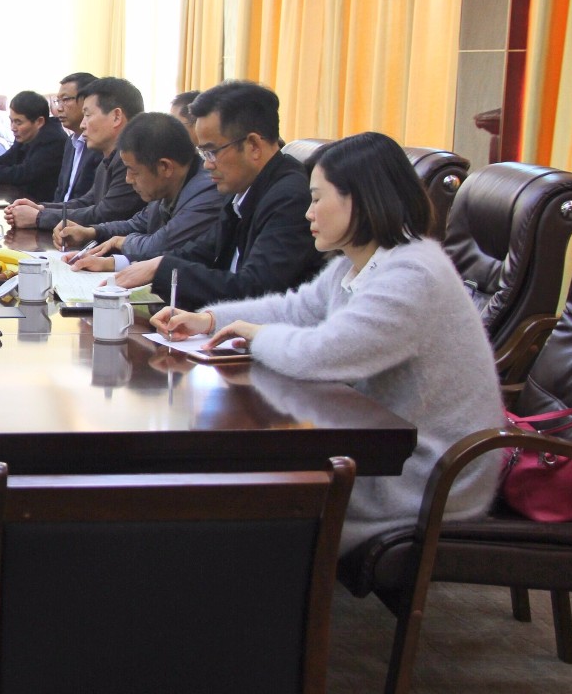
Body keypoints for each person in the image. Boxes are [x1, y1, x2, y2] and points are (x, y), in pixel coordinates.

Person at [152, 131, 504, 554]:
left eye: (318, 199)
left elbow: (323, 354)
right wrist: (209, 320)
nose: (308, 212)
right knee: (228, 483)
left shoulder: (413, 273)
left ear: (361, 199)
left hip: (423, 473)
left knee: (244, 495)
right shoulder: (356, 265)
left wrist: (255, 335)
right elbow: (295, 309)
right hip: (377, 446)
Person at [114, 80, 320, 310]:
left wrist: (163, 269)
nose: (206, 165)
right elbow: (203, 250)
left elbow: (256, 289)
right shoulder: (243, 187)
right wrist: (127, 263)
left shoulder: (289, 198)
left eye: (211, 152)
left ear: (253, 145)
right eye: (203, 153)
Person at [62, 111, 223, 267]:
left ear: (165, 167)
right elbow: (137, 224)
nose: (128, 179)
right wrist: (92, 232)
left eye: (133, 171)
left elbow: (159, 245)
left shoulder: (207, 193)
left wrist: (122, 242)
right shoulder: (167, 186)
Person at [5, 76, 145, 232]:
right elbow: (86, 202)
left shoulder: (132, 160)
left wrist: (39, 217)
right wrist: (40, 208)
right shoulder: (109, 158)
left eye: (88, 115)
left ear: (116, 117)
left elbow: (105, 214)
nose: (83, 124)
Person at [50, 71, 102, 202]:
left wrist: (42, 212)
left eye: (66, 99)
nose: (59, 108)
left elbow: (91, 203)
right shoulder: (70, 142)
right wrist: (40, 209)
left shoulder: (100, 145)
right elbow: (61, 193)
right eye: (58, 101)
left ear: (88, 101)